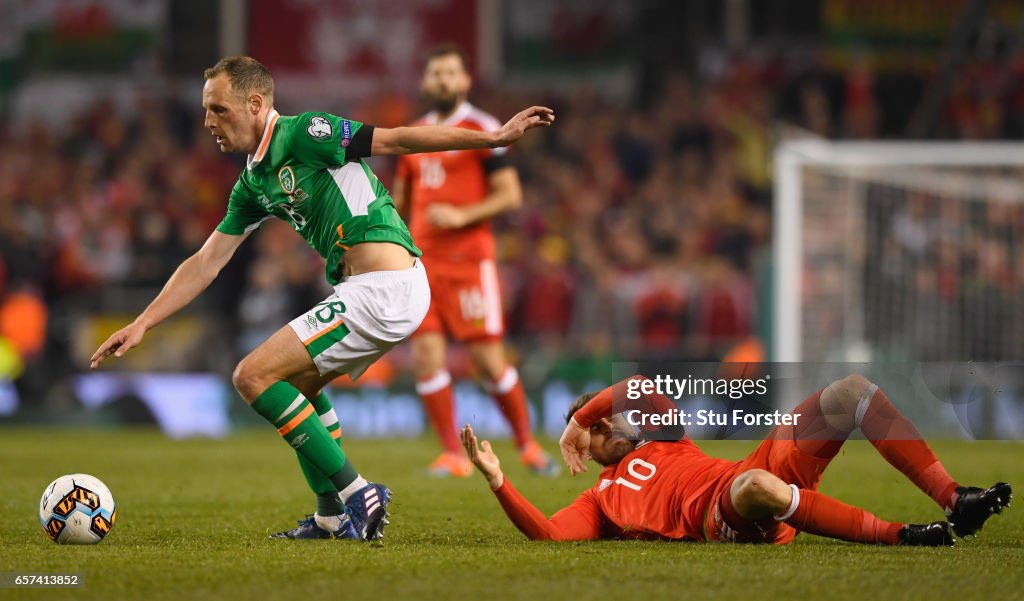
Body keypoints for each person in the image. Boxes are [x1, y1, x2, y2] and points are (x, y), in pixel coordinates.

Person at [89, 55, 554, 541]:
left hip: (386, 287)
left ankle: (358, 493)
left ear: (254, 104)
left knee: (252, 375)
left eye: (218, 109)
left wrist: (493, 138)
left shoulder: (307, 132)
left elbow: (395, 139)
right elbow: (207, 260)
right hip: (367, 290)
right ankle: (331, 516)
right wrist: (143, 321)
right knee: (299, 388)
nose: (208, 121)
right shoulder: (252, 182)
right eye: (206, 110)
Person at [462, 374, 1012, 545]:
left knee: (849, 392)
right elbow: (551, 537)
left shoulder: (665, 438)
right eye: (597, 429)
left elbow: (640, 388)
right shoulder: (599, 498)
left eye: (607, 419)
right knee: (754, 488)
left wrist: (580, 421)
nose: (609, 425)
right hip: (726, 511)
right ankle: (903, 536)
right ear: (590, 453)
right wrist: (499, 482)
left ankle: (953, 498)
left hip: (756, 468)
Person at [392, 45, 558, 477]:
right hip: (422, 264)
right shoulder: (413, 133)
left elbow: (510, 195)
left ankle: (527, 445)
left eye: (451, 72)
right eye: (436, 73)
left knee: (488, 360)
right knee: (427, 356)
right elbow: (400, 201)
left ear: (465, 80)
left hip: (469, 261)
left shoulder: (485, 129)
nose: (443, 80)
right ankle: (451, 453)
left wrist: (461, 215)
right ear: (426, 82)